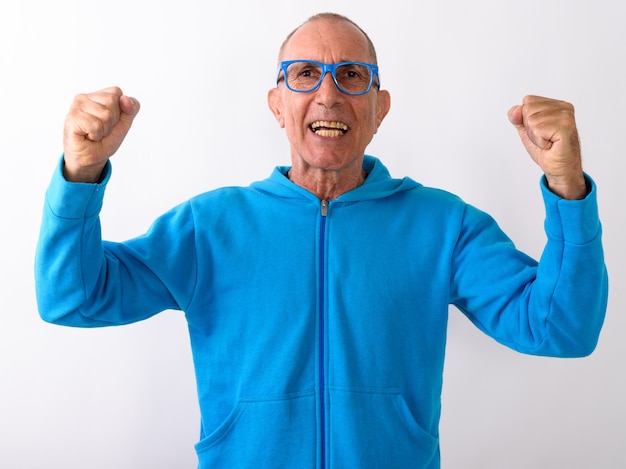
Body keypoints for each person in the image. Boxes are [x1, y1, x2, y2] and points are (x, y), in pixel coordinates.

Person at [35, 12, 608, 469]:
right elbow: (73, 298)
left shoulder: (444, 226)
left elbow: (561, 327)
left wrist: (566, 187)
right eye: (304, 74)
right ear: (277, 103)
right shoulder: (208, 227)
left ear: (379, 108)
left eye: (352, 75)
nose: (329, 94)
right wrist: (80, 175)